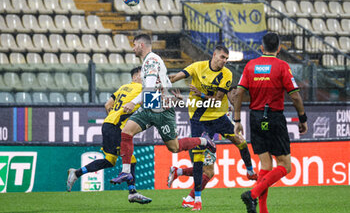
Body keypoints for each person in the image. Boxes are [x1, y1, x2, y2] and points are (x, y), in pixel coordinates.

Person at [110, 34, 216, 192]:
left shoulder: (151, 60)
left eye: (134, 45)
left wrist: (134, 102)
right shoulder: (148, 61)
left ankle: (202, 141)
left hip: (162, 108)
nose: (132, 48)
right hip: (150, 106)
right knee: (126, 132)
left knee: (174, 147)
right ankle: (126, 172)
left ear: (141, 45)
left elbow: (151, 87)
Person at [168, 45, 257, 211]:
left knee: (240, 141)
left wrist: (200, 94)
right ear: (214, 55)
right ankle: (192, 197)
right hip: (199, 121)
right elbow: (177, 77)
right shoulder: (197, 67)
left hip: (219, 117)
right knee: (206, 169)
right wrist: (167, 80)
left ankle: (250, 170)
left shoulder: (227, 74)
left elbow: (217, 99)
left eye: (226, 59)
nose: (224, 61)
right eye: (222, 57)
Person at [234, 32, 308, 213]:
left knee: (266, 166)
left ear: (261, 48)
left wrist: (237, 119)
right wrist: (303, 118)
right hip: (274, 117)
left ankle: (263, 210)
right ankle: (252, 194)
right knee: (285, 166)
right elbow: (296, 96)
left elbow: (238, 93)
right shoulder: (282, 66)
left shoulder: (251, 66)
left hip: (255, 118)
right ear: (279, 48)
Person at [66, 66, 152, 204]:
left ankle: (76, 173)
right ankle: (132, 193)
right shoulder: (140, 89)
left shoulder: (123, 87)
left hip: (108, 124)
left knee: (110, 160)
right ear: (135, 76)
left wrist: (113, 119)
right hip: (115, 128)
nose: (146, 77)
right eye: (143, 74)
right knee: (131, 159)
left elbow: (107, 105)